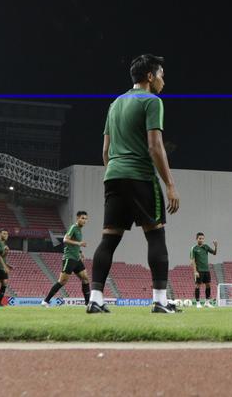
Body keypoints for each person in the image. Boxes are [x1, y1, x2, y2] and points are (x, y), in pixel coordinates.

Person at [87, 54, 181, 314]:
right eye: (161, 74)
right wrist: (170, 184)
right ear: (150, 77)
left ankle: (95, 298)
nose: (163, 80)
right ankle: (161, 301)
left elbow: (105, 150)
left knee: (108, 239)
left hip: (114, 176)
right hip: (140, 175)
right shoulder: (152, 101)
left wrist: (116, 174)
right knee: (155, 234)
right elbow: (154, 146)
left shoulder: (115, 103)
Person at [43, 211, 91, 306]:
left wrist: (80, 252)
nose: (84, 220)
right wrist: (79, 243)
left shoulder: (79, 230)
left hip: (76, 258)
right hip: (69, 258)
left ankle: (88, 303)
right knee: (62, 281)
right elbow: (65, 239)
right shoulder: (73, 227)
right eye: (82, 218)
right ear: (78, 218)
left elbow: (74, 243)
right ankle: (45, 301)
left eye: (86, 219)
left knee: (85, 278)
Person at [190, 232, 218, 307]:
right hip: (199, 270)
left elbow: (214, 253)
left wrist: (215, 246)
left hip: (206, 270)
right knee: (197, 286)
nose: (201, 240)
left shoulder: (206, 246)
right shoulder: (194, 248)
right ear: (196, 239)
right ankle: (198, 303)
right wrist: (195, 271)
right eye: (200, 238)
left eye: (202, 238)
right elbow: (192, 261)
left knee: (208, 285)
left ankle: (207, 302)